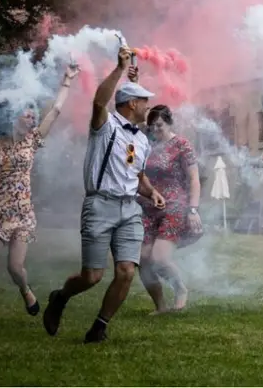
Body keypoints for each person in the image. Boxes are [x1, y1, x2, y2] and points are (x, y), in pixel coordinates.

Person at [43, 44, 165, 344]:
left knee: (126, 272)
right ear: (131, 104)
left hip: (130, 209)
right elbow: (99, 101)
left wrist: (151, 192)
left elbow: (137, 176)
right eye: (144, 101)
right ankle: (60, 297)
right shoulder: (105, 125)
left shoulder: (143, 141)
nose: (148, 106)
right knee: (92, 276)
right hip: (100, 206)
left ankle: (99, 326)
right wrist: (120, 69)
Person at [0, 63, 79, 330]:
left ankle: (25, 289)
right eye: (27, 112)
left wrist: (67, 81)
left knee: (15, 266)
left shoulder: (32, 140)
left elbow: (56, 110)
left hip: (21, 211)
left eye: (33, 113)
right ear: (12, 116)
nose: (32, 115)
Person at [137, 104, 203, 313]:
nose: (155, 129)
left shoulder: (182, 145)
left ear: (169, 123)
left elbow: (194, 179)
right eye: (152, 126)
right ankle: (161, 306)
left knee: (159, 258)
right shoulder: (147, 144)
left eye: (159, 125)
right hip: (148, 207)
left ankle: (180, 288)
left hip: (174, 207)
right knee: (143, 259)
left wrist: (193, 209)